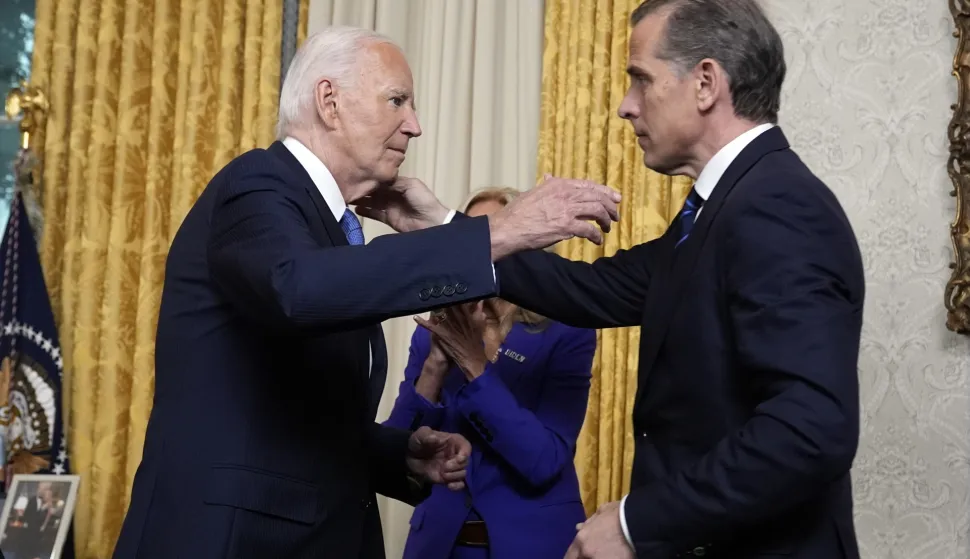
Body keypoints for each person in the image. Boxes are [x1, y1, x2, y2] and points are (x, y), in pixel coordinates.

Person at [365, 1, 865, 558]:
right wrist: (443, 223)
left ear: (705, 83)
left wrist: (635, 521)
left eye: (641, 80)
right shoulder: (724, 208)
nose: (626, 107)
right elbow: (590, 290)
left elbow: (811, 431)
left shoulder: (778, 207)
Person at [111, 26, 620, 559]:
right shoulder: (257, 185)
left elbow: (290, 415)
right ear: (329, 102)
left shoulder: (324, 224)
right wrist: (498, 234)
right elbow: (298, 291)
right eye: (397, 101)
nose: (415, 126)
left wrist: (396, 456)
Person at [384, 187, 597, 559]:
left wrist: (474, 365)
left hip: (533, 544)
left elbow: (542, 460)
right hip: (439, 545)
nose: (476, 252)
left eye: (489, 236)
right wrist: (435, 365)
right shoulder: (434, 328)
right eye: (467, 239)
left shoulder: (567, 331)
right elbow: (395, 451)